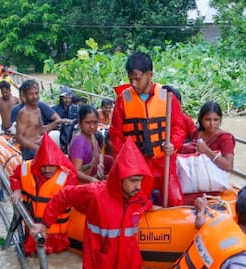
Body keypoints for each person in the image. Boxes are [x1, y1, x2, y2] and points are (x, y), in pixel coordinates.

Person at [30, 140, 154, 269]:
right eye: (133, 181)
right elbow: (64, 195)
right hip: (98, 268)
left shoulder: (138, 197)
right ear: (119, 177)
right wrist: (45, 223)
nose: (138, 185)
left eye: (140, 180)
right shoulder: (96, 193)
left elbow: (147, 205)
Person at [109, 51, 187, 207]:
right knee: (137, 202)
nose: (134, 84)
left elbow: (179, 128)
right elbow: (116, 135)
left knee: (175, 200)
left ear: (150, 75)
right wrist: (123, 162)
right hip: (137, 164)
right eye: (130, 79)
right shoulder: (123, 100)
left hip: (163, 161)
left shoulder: (167, 96)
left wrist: (173, 144)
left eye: (138, 79)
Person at [9, 133, 78, 255]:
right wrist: (17, 189)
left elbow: (62, 203)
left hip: (56, 235)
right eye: (43, 166)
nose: (47, 170)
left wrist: (45, 224)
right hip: (32, 230)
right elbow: (14, 177)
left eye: (51, 166)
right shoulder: (25, 168)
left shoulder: (68, 178)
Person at [14, 80, 70, 161]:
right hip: (29, 150)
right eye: (31, 94)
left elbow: (41, 130)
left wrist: (56, 123)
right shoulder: (24, 113)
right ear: (24, 95)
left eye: (36, 93)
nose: (35, 97)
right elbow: (19, 138)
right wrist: (36, 148)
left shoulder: (37, 110)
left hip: (39, 144)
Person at [181, 101, 235, 172]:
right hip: (194, 176)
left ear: (220, 119)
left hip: (215, 180)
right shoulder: (197, 133)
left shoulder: (225, 138)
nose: (212, 124)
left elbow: (229, 166)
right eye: (207, 120)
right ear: (201, 119)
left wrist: (207, 151)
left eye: (215, 120)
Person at [68, 105, 114, 183]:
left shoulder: (91, 136)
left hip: (92, 177)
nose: (92, 126)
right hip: (81, 185)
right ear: (79, 122)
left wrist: (101, 163)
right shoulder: (79, 142)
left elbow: (100, 152)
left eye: (95, 122)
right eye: (87, 123)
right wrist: (93, 180)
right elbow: (75, 172)